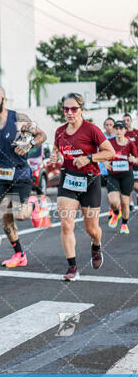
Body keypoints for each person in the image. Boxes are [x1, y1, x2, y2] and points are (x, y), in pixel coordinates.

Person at [0, 85, 47, 268]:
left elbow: (41, 135)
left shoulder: (18, 119)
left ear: (3, 100)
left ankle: (33, 202)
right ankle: (20, 254)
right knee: (6, 217)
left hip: (20, 172)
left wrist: (29, 144)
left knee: (21, 215)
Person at [50, 93, 115, 281]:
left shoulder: (91, 130)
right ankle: (72, 267)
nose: (69, 113)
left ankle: (96, 245)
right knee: (66, 223)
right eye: (66, 109)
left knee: (91, 228)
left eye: (74, 109)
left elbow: (109, 152)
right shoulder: (60, 131)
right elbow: (57, 151)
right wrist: (55, 157)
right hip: (68, 179)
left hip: (90, 180)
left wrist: (89, 158)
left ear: (81, 110)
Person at [105, 120, 138, 234]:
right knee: (113, 201)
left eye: (121, 129)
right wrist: (105, 162)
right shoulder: (109, 142)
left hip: (126, 176)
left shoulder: (130, 144)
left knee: (125, 202)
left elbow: (137, 159)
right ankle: (115, 212)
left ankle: (124, 224)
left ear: (125, 130)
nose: (118, 131)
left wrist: (134, 160)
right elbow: (101, 154)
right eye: (116, 128)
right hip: (113, 176)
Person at [98, 117, 116, 219]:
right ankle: (112, 209)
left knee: (113, 193)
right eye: (107, 125)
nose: (109, 127)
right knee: (107, 193)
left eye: (111, 125)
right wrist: (103, 161)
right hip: (102, 171)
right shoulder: (101, 137)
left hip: (115, 171)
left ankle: (113, 209)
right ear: (104, 126)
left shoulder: (117, 137)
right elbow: (97, 152)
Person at [123, 113, 138, 208]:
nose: (126, 122)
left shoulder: (136, 133)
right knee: (129, 183)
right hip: (126, 163)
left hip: (136, 162)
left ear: (131, 121)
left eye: (127, 120)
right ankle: (131, 203)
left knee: (136, 185)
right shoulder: (123, 134)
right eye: (124, 121)